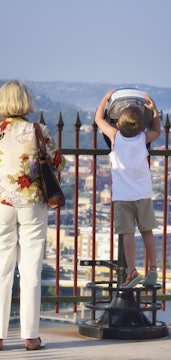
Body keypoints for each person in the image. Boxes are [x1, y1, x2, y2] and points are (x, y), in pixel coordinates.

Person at [0, 80, 66, 351]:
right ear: (26, 101)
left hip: (1, 204)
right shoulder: (38, 130)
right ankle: (30, 336)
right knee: (30, 271)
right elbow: (58, 163)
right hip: (33, 205)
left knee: (2, 270)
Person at [95, 89, 161, 288]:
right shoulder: (143, 138)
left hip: (123, 196)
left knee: (127, 234)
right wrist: (155, 111)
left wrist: (105, 98)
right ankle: (153, 268)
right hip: (143, 194)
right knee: (147, 231)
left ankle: (132, 270)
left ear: (117, 123)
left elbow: (98, 120)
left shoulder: (115, 136)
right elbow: (157, 131)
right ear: (143, 125)